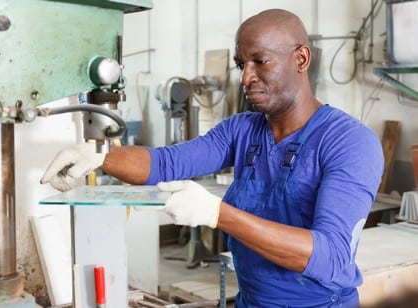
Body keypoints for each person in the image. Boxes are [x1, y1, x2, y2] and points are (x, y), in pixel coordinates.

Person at [41, 8, 384, 307]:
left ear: (301, 59)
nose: (247, 77)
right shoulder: (242, 130)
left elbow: (330, 257)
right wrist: (100, 156)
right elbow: (166, 163)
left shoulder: (349, 142)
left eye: (260, 61)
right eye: (241, 65)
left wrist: (217, 213)